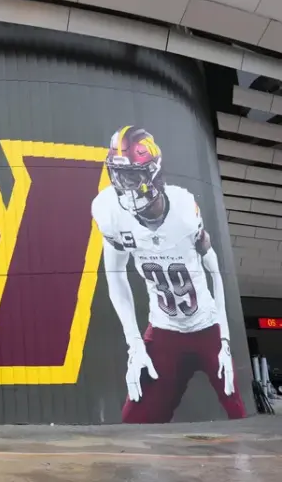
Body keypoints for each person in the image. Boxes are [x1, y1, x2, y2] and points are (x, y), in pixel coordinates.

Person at [91, 125, 246, 423]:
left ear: (153, 174)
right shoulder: (109, 210)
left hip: (206, 326)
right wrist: (134, 344)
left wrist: (225, 341)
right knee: (134, 420)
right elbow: (115, 273)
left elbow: (213, 270)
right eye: (119, 175)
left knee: (236, 410)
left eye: (133, 176)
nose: (125, 185)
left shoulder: (184, 209)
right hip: (163, 330)